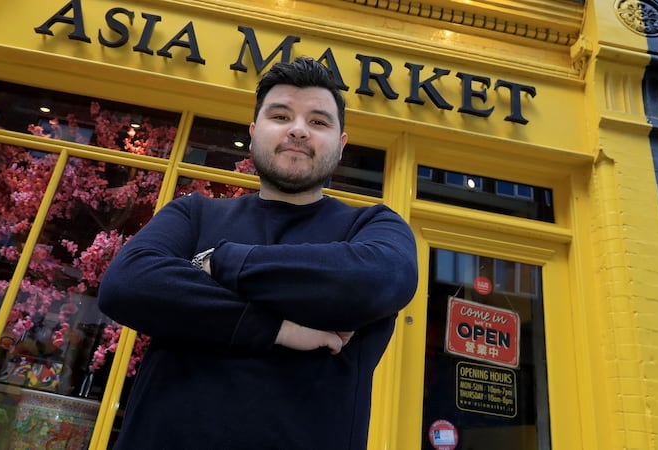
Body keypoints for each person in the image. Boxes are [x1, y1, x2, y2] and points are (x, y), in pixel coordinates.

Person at [97, 56, 418, 450]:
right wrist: (277, 330)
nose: (299, 130)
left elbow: (379, 280)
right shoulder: (193, 214)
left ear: (341, 145)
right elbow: (127, 283)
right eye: (280, 116)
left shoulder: (372, 228)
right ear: (253, 132)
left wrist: (222, 263)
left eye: (318, 122)